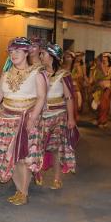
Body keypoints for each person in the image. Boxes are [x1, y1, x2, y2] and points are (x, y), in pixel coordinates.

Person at [0, 37, 47, 205]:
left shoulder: (37, 72)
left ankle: (23, 192)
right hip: (5, 119)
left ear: (26, 53)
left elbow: (41, 97)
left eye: (17, 51)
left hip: (25, 119)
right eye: (11, 52)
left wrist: (33, 117)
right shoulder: (7, 73)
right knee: (9, 156)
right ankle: (19, 189)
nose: (13, 55)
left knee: (22, 157)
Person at [40, 43, 77, 189]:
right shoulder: (39, 73)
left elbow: (69, 97)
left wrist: (71, 118)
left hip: (58, 115)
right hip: (41, 115)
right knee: (38, 146)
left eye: (43, 54)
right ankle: (36, 174)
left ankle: (56, 178)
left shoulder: (64, 74)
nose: (40, 56)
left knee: (55, 148)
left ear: (52, 56)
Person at [90, 53, 111, 128]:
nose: (103, 58)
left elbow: (106, 74)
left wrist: (101, 66)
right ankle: (99, 120)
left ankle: (103, 121)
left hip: (106, 89)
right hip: (98, 88)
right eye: (103, 57)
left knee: (104, 105)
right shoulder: (98, 67)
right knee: (98, 105)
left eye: (105, 57)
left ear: (109, 58)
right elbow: (94, 78)